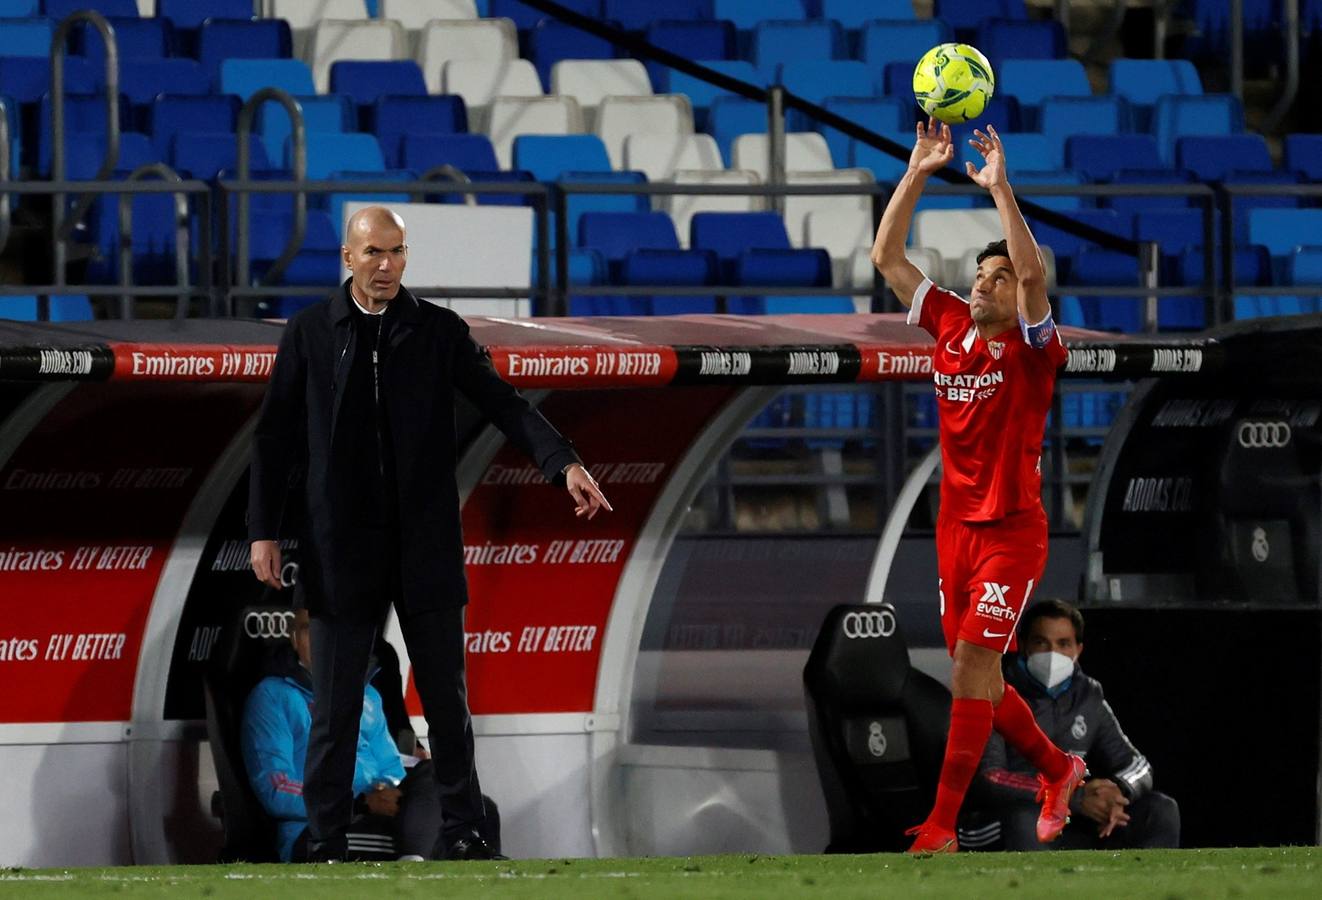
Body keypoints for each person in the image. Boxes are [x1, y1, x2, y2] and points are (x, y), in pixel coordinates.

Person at [248, 206, 612, 862]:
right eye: (373, 253)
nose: (386, 265)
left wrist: (563, 462)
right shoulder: (307, 334)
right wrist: (263, 533)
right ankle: (325, 844)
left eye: (396, 252)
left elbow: (504, 402)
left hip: (426, 546)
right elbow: (273, 437)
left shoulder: (439, 332)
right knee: (332, 709)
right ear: (347, 258)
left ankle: (464, 831)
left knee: (447, 703)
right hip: (340, 549)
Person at [870, 120, 1084, 853]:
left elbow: (1032, 277)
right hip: (956, 529)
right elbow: (886, 256)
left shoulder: (1034, 351)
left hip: (1011, 532)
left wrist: (999, 190)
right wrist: (918, 170)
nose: (984, 283)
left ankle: (941, 825)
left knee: (969, 666)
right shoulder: (950, 326)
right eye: (980, 275)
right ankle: (1058, 769)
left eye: (995, 276)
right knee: (983, 681)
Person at [240, 609, 502, 862]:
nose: (322, 637)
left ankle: (438, 872)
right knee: (442, 835)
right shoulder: (272, 697)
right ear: (295, 639)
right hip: (320, 830)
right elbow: (275, 788)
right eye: (310, 628)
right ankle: (415, 869)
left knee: (473, 807)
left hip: (376, 813)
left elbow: (391, 768)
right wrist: (357, 803)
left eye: (331, 628)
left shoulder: (367, 695)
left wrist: (388, 792)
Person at [963, 599, 1180, 850]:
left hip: (1074, 818)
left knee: (1160, 809)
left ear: (1078, 649)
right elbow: (990, 778)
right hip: (1002, 820)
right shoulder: (993, 697)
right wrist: (1070, 796)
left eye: (1063, 644)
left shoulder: (1089, 697)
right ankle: (1030, 889)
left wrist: (1116, 794)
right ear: (1022, 646)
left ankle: (1148, 889)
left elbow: (1136, 765)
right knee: (1025, 819)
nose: (1052, 653)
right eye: (1041, 642)